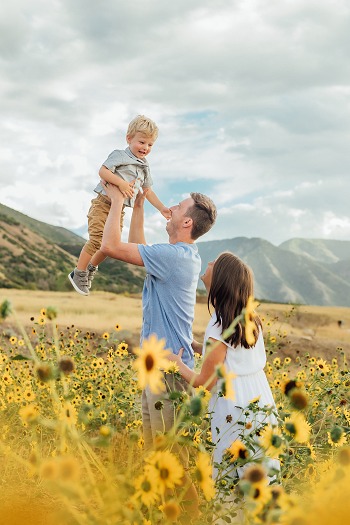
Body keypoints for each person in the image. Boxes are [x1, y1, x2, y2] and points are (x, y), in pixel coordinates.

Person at [100, 180, 217, 516]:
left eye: (177, 208)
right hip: (161, 369)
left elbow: (110, 246)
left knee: (172, 460)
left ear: (187, 223)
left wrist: (116, 200)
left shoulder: (176, 257)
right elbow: (139, 248)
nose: (169, 208)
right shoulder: (175, 257)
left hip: (170, 372)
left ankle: (194, 520)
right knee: (157, 453)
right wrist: (137, 207)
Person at [167, 252, 279, 482]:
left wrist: (176, 364)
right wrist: (197, 347)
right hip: (260, 400)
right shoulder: (248, 317)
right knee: (259, 475)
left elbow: (205, 382)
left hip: (235, 407)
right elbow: (232, 357)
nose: (209, 263)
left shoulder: (220, 325)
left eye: (214, 263)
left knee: (233, 476)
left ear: (220, 279)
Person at [68, 115, 170, 296]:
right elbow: (103, 171)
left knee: (111, 245)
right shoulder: (120, 155)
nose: (145, 148)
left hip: (119, 210)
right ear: (129, 139)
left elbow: (148, 191)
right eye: (141, 142)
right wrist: (121, 184)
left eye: (150, 145)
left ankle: (92, 266)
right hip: (103, 204)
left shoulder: (144, 167)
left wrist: (161, 208)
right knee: (97, 240)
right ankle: (79, 272)